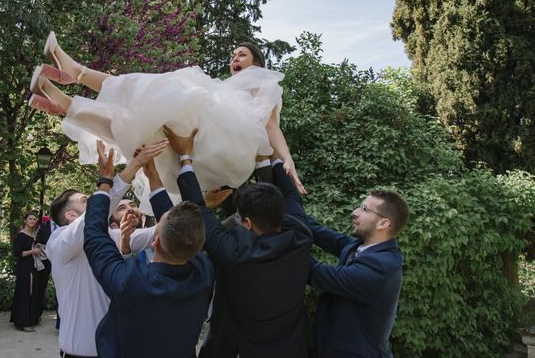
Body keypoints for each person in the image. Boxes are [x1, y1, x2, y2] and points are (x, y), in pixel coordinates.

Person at [28, 32, 306, 196]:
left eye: (242, 55)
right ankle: (64, 102)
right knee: (139, 126)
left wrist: (287, 158)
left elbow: (270, 126)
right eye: (233, 55)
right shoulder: (226, 88)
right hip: (209, 148)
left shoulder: (266, 82)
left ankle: (76, 72)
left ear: (257, 62)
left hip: (232, 149)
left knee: (167, 89)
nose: (235, 59)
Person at [164, 126, 313, 358]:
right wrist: (267, 152)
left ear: (248, 223)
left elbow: (198, 210)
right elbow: (290, 195)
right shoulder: (301, 235)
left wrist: (185, 155)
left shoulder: (233, 252)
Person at [84, 141, 215, 358]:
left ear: (155, 242)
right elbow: (176, 226)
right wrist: (153, 175)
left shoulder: (130, 281)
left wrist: (105, 180)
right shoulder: (203, 270)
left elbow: (94, 237)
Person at [46, 140, 172, 358]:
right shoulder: (58, 243)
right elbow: (98, 210)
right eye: (87, 201)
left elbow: (163, 230)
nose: (96, 204)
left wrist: (194, 207)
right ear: (71, 216)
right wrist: (131, 167)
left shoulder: (111, 237)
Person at [307, 190, 409, 358]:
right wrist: (286, 210)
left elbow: (317, 274)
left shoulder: (382, 266)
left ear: (383, 223)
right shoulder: (360, 246)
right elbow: (321, 233)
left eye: (364, 209)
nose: (354, 212)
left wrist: (281, 241)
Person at [10, 210, 40, 332]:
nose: (32, 221)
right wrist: (32, 251)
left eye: (34, 219)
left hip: (33, 265)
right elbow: (17, 253)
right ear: (25, 220)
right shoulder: (21, 235)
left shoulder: (34, 234)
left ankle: (30, 319)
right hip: (24, 267)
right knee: (26, 291)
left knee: (32, 292)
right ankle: (23, 322)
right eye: (30, 219)